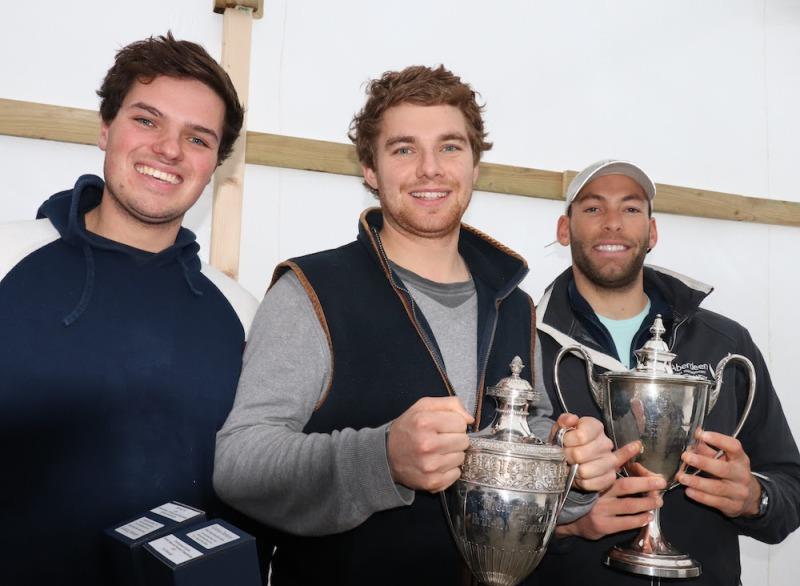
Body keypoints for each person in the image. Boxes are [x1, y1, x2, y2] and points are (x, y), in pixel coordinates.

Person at [214, 65, 619, 585]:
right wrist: (381, 459)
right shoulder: (311, 291)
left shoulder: (514, 305)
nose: (430, 169)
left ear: (475, 166)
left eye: (450, 148)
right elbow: (240, 465)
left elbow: (529, 452)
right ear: (370, 169)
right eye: (404, 149)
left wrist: (576, 468)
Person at [0, 33, 258, 585]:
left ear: (214, 165)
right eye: (147, 120)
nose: (169, 149)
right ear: (105, 127)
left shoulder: (242, 313)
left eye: (197, 137)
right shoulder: (5, 258)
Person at [528, 159, 800, 585]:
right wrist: (568, 526)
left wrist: (754, 498)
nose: (613, 224)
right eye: (594, 208)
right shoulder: (523, 342)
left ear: (652, 233)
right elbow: (487, 509)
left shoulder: (725, 342)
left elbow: (790, 487)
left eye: (631, 209)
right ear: (565, 229)